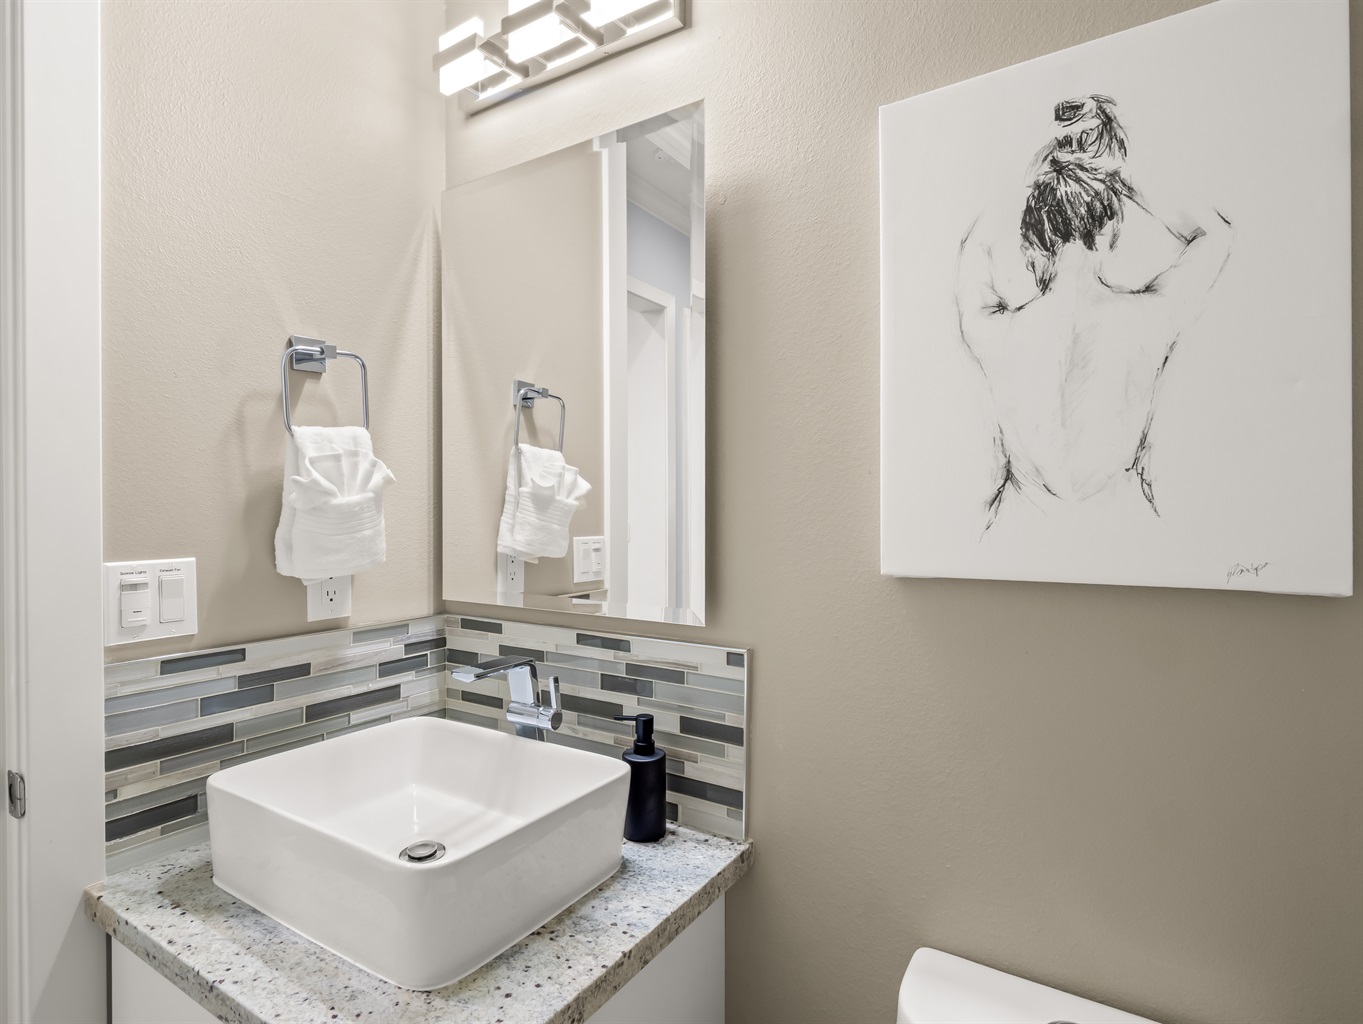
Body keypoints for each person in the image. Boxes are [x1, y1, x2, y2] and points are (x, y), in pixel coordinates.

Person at [955, 95, 1233, 529]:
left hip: (1019, 532)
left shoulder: (995, 333)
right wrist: (1112, 170)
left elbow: (972, 247)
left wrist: (1046, 169)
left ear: (1031, 247)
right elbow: (1213, 235)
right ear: (1111, 234)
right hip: (1122, 530)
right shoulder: (1149, 319)